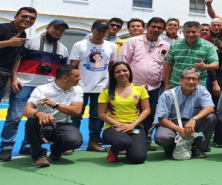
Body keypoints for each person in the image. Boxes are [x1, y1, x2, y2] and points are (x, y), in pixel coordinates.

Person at [0, 19, 69, 161]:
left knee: (36, 119)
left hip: (45, 90)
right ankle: (6, 148)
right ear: (48, 28)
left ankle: (28, 145)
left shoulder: (63, 49)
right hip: (24, 84)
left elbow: (61, 72)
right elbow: (16, 60)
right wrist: (14, 78)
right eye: (55, 28)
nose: (58, 32)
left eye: (61, 30)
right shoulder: (31, 42)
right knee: (14, 117)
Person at [0, 6, 37, 165]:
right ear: (16, 16)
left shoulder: (23, 35)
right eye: (25, 16)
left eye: (32, 18)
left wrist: (14, 78)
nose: (28, 20)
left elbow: (16, 59)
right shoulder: (0, 29)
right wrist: (8, 42)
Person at [118, 17, 170, 151]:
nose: (156, 30)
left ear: (163, 30)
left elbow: (165, 66)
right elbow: (123, 62)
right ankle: (125, 141)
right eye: (153, 26)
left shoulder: (165, 46)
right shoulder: (133, 42)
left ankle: (145, 141)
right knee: (130, 113)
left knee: (149, 114)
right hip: (132, 86)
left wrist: (165, 84)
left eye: (159, 28)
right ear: (147, 26)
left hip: (152, 87)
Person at [69, 20, 117, 152]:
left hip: (101, 87)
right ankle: (71, 142)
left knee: (97, 116)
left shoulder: (111, 46)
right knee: (76, 115)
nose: (101, 32)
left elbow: (111, 66)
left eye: (104, 30)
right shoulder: (79, 45)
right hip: (80, 87)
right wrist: (74, 83)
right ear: (92, 30)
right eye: (98, 29)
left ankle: (94, 141)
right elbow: (73, 65)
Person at [22, 65, 84, 168]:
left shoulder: (77, 89)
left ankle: (55, 150)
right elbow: (26, 110)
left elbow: (76, 111)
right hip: (41, 124)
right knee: (31, 122)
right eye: (77, 76)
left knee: (75, 141)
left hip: (62, 124)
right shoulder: (42, 89)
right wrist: (39, 114)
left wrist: (55, 105)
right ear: (64, 78)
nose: (80, 78)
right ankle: (39, 156)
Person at [155, 68, 217, 158]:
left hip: (193, 124)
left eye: (194, 79)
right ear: (181, 80)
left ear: (198, 81)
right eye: (188, 78)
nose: (191, 82)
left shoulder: (202, 90)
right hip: (173, 124)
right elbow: (162, 119)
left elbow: (210, 108)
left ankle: (197, 147)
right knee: (162, 137)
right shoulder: (168, 95)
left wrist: (193, 119)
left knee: (211, 118)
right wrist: (180, 130)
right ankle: (171, 148)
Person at [98, 61, 150, 163]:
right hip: (114, 127)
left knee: (138, 158)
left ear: (129, 72)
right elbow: (101, 114)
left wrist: (133, 124)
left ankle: (131, 149)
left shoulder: (140, 88)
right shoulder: (106, 91)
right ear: (113, 75)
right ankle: (114, 149)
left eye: (125, 70)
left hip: (135, 126)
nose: (122, 73)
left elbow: (147, 110)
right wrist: (120, 125)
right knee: (122, 142)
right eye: (118, 72)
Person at [165, 21, 219, 89]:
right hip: (176, 85)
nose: (190, 34)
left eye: (193, 32)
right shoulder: (175, 45)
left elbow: (216, 65)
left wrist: (205, 66)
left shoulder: (209, 46)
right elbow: (169, 64)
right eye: (187, 32)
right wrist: (167, 84)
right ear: (183, 32)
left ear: (199, 33)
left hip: (198, 87)